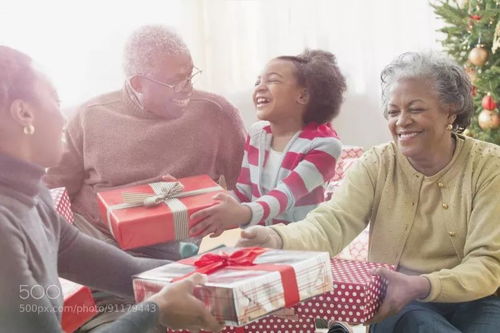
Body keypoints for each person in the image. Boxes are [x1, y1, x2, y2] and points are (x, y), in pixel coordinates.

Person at [237, 51, 500, 332]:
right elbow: (331, 222)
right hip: (398, 301)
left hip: (476, 299)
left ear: (451, 110)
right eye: (393, 111)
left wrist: (424, 284)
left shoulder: (489, 166)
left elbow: (487, 262)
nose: (402, 121)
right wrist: (275, 237)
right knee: (421, 324)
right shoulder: (377, 163)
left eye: (415, 109)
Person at [0, 45, 223, 333]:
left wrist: (212, 269)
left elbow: (121, 269)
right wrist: (155, 311)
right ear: (23, 112)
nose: (63, 118)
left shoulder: (32, 196)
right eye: (55, 101)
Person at [44, 24, 246, 259]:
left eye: (190, 75)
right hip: (97, 237)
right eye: (175, 81)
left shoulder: (217, 113)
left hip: (177, 238)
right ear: (137, 83)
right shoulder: (90, 115)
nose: (187, 88)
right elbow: (55, 188)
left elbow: (247, 189)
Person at [190, 49, 345, 238]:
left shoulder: (325, 145)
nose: (259, 88)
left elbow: (284, 196)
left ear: (303, 96)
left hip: (303, 243)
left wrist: (242, 214)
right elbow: (243, 194)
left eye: (272, 80)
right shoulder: (257, 134)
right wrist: (197, 199)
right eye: (258, 82)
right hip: (259, 242)